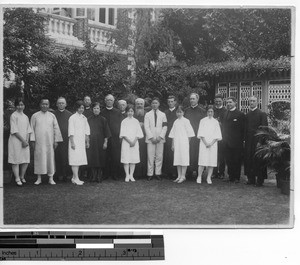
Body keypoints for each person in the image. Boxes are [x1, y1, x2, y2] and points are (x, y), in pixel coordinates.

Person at [30, 99, 63, 185]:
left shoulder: (52, 116)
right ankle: (39, 178)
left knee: (50, 159)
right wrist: (32, 140)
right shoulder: (35, 116)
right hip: (39, 142)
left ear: (49, 105)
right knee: (39, 159)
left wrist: (56, 141)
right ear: (40, 105)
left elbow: (56, 128)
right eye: (43, 104)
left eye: (46, 104)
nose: (45, 106)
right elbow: (31, 129)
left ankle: (51, 178)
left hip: (49, 142)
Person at [244, 96, 268, 187]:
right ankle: (251, 179)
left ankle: (260, 180)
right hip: (249, 140)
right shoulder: (247, 115)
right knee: (249, 159)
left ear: (257, 102)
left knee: (259, 160)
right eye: (250, 101)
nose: (251, 102)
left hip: (258, 140)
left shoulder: (262, 114)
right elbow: (245, 129)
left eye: (253, 101)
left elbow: (264, 129)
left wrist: (260, 141)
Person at [8, 98, 32, 186]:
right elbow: (14, 131)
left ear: (24, 106)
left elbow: (28, 130)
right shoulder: (13, 116)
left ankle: (22, 176)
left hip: (24, 141)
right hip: (16, 140)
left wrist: (26, 141)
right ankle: (17, 178)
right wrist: (22, 140)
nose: (20, 107)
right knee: (16, 159)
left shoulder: (25, 117)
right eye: (18, 105)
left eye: (22, 105)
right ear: (15, 106)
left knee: (25, 159)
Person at [169, 106, 195, 183]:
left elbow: (190, 134)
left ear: (183, 113)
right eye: (178, 112)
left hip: (184, 143)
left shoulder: (186, 121)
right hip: (177, 143)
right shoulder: (175, 122)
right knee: (177, 159)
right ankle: (179, 175)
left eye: (180, 112)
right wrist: (173, 144)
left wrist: (187, 143)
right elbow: (172, 134)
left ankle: (183, 176)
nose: (179, 113)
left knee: (184, 159)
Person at [197, 105, 222, 184]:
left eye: (211, 112)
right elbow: (200, 133)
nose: (210, 113)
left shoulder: (216, 122)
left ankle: (208, 177)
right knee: (202, 161)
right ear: (206, 112)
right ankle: (199, 176)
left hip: (213, 144)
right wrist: (205, 143)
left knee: (211, 161)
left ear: (214, 112)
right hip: (204, 143)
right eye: (208, 111)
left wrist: (211, 143)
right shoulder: (202, 121)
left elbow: (217, 134)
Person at [222, 97, 245, 183]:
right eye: (227, 102)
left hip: (236, 142)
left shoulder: (240, 114)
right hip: (226, 142)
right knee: (228, 160)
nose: (228, 104)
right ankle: (230, 176)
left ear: (235, 103)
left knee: (236, 160)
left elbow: (243, 129)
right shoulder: (225, 113)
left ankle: (236, 177)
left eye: (230, 102)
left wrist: (242, 141)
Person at [87, 102, 111, 182]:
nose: (96, 110)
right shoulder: (88, 119)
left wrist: (105, 142)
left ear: (100, 110)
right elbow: (86, 132)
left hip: (100, 142)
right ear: (92, 109)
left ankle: (99, 176)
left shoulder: (103, 119)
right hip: (92, 142)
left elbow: (106, 132)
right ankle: (93, 176)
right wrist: (87, 142)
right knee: (93, 159)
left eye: (97, 108)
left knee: (100, 159)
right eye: (94, 108)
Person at [100, 94, 123, 180]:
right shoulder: (102, 112)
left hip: (115, 138)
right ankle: (106, 174)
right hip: (105, 138)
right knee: (105, 156)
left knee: (115, 156)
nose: (109, 101)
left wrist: (120, 136)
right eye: (108, 100)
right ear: (105, 101)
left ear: (113, 101)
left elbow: (122, 125)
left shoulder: (118, 112)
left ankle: (115, 174)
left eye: (111, 100)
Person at [144, 98, 167, 181]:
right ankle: (150, 174)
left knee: (159, 156)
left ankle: (158, 173)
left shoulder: (163, 114)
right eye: (153, 103)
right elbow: (146, 127)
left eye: (156, 103)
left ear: (159, 104)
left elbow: (165, 126)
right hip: (150, 139)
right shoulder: (147, 115)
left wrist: (160, 137)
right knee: (150, 156)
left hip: (160, 139)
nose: (154, 104)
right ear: (151, 104)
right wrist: (151, 137)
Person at [184, 93, 206, 179]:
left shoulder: (202, 111)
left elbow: (204, 124)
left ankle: (198, 172)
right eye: (190, 99)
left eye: (193, 99)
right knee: (188, 153)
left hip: (198, 136)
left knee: (197, 154)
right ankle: (188, 172)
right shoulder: (186, 111)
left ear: (197, 99)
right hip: (188, 137)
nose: (192, 100)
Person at [68, 100, 90, 185]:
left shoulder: (84, 118)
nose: (81, 109)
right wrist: (72, 142)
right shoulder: (72, 117)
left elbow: (87, 131)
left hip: (81, 142)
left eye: (82, 108)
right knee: (75, 160)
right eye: (79, 108)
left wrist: (87, 142)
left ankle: (74, 178)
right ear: (76, 108)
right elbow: (71, 131)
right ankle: (76, 178)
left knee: (79, 159)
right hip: (74, 141)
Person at [120, 105, 144, 182]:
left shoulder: (136, 121)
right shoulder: (124, 121)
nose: (130, 113)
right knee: (126, 159)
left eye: (131, 111)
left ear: (134, 112)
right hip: (126, 142)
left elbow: (139, 133)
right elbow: (123, 134)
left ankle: (131, 175)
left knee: (133, 159)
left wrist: (134, 141)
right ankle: (127, 175)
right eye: (129, 111)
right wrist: (129, 141)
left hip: (134, 142)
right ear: (126, 112)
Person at [54, 97, 72, 182]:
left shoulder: (70, 114)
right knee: (56, 157)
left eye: (62, 103)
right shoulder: (53, 114)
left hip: (66, 139)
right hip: (56, 139)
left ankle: (65, 175)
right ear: (57, 104)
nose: (61, 104)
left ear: (66, 104)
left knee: (65, 157)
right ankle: (57, 175)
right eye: (59, 103)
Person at [163, 95, 177, 179]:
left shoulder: (178, 112)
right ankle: (168, 172)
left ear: (175, 102)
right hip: (167, 134)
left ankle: (175, 171)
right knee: (168, 153)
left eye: (172, 101)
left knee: (175, 153)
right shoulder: (165, 112)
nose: (170, 103)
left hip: (176, 135)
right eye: (169, 102)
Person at [213, 94, 227, 179]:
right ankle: (214, 172)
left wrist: (220, 124)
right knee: (214, 155)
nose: (218, 103)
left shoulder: (225, 111)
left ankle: (221, 172)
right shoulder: (212, 110)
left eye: (219, 101)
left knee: (222, 156)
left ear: (222, 101)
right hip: (213, 136)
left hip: (222, 135)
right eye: (216, 101)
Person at [133, 98, 148, 179]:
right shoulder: (132, 114)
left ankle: (144, 173)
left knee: (143, 155)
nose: (139, 105)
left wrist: (143, 125)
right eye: (138, 104)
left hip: (144, 138)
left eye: (141, 104)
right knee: (135, 154)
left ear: (143, 105)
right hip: (134, 138)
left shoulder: (147, 114)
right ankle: (136, 173)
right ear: (135, 105)